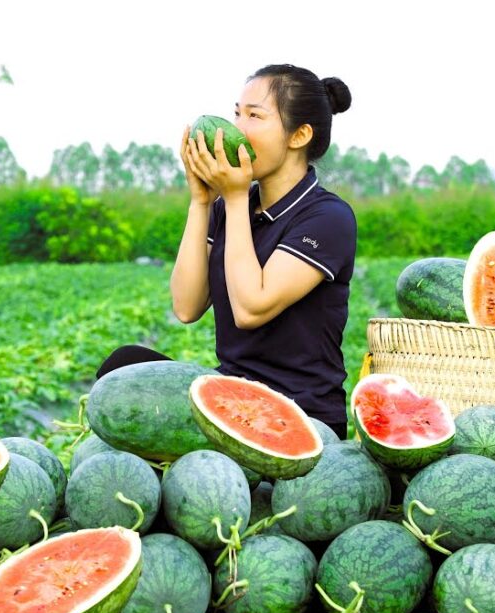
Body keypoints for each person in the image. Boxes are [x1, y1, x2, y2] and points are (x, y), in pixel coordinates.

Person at [98, 64, 355, 439]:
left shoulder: (328, 217)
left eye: (254, 115)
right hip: (233, 398)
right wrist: (201, 202)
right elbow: (186, 306)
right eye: (236, 113)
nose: (236, 127)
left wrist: (233, 199)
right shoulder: (230, 208)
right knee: (124, 367)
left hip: (300, 414)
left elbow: (252, 309)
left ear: (299, 135)